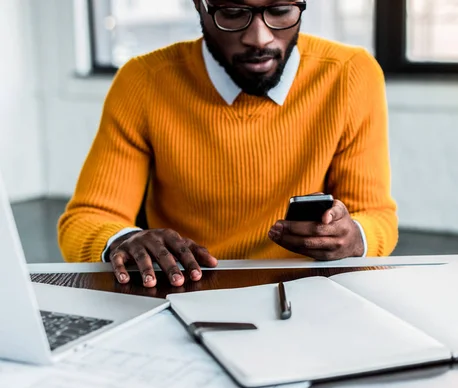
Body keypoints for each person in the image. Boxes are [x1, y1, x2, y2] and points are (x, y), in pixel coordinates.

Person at [58, 0, 398, 288]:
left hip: (308, 290)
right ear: (199, 5)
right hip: (187, 289)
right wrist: (123, 240)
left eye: (280, 10)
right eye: (233, 13)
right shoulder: (143, 81)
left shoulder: (351, 74)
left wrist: (354, 236)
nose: (259, 38)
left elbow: (377, 216)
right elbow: (87, 218)